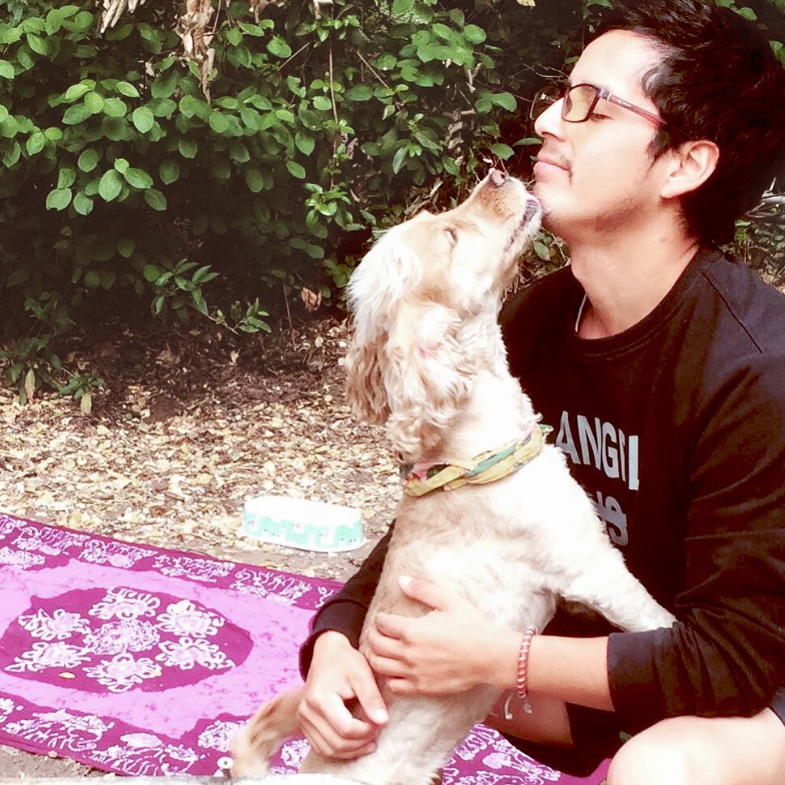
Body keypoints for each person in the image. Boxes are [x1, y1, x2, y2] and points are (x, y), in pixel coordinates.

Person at [294, 1, 785, 783]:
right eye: (561, 94)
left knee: (663, 769)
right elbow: (446, 506)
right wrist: (335, 640)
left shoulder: (755, 371)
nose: (552, 119)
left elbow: (734, 660)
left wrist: (506, 658)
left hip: (753, 674)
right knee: (403, 686)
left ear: (684, 165)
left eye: (593, 104)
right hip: (638, 647)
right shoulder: (539, 316)